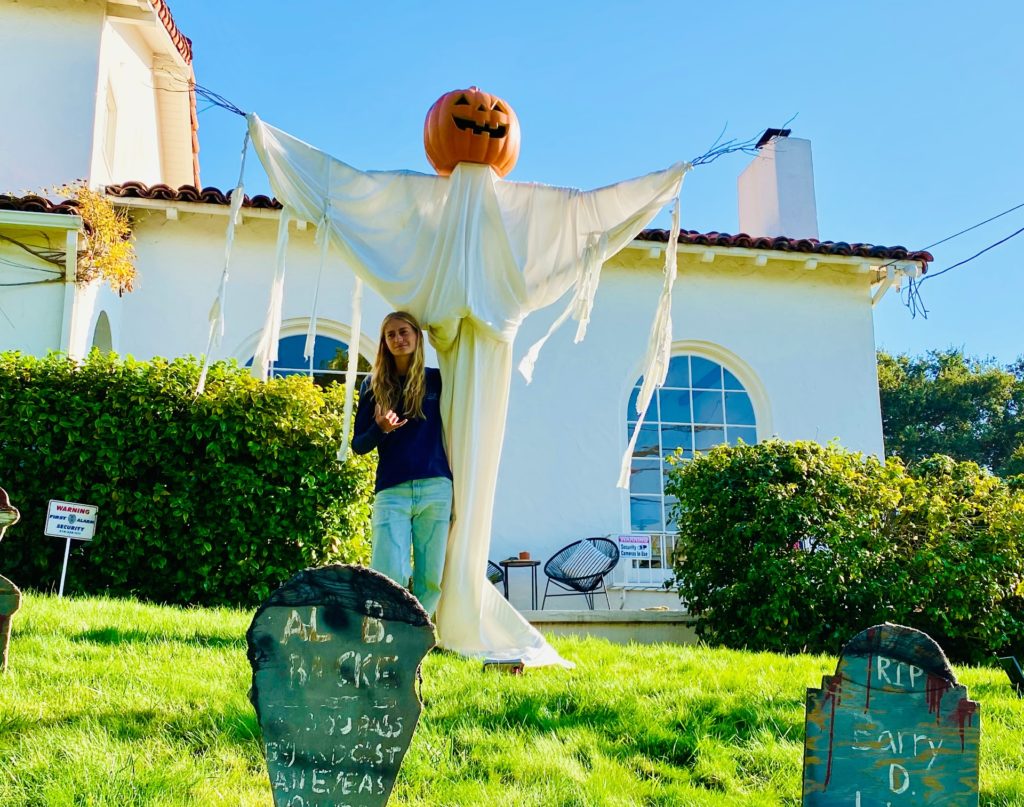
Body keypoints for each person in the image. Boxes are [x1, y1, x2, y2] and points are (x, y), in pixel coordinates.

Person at [352, 311, 453, 616]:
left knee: (430, 577)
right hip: (392, 490)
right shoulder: (373, 385)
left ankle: (419, 634)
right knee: (388, 571)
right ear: (384, 342)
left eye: (404, 331)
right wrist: (381, 428)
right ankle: (389, 630)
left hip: (435, 486)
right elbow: (359, 445)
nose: (399, 339)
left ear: (417, 336)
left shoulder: (437, 379)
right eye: (391, 334)